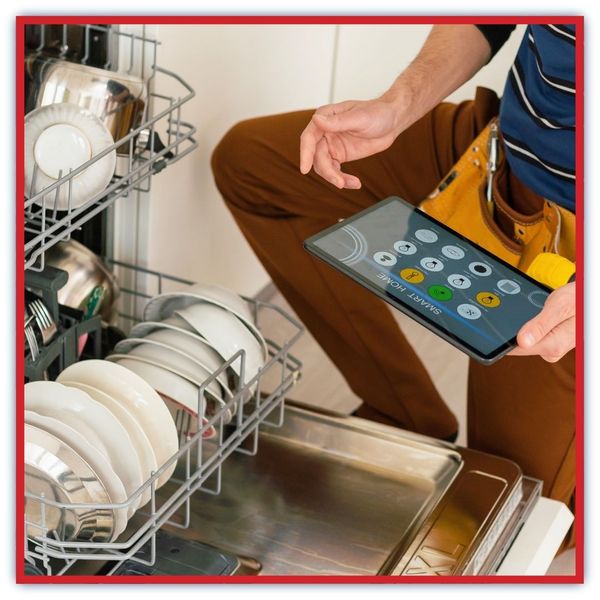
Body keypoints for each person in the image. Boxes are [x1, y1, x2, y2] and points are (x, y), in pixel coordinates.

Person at [211, 24, 577, 548]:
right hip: (500, 157)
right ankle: (407, 414)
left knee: (514, 508)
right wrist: (397, 106)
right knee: (254, 164)